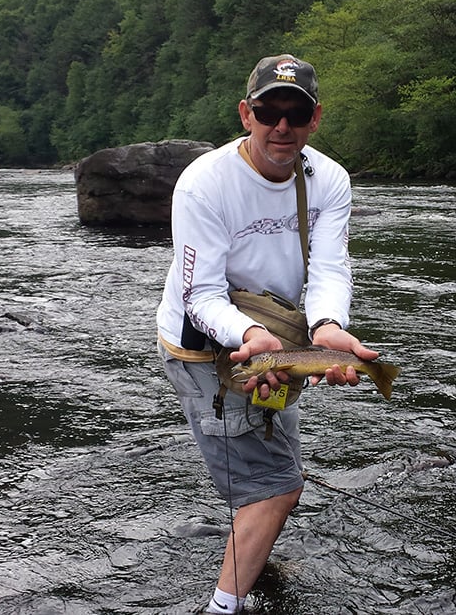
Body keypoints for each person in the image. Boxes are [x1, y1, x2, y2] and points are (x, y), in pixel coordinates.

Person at [156, 54, 381, 614]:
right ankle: (223, 605)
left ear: (315, 118)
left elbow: (330, 269)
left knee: (275, 474)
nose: (281, 126)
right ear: (245, 113)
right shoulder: (203, 184)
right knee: (274, 487)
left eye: (295, 113)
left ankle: (250, 560)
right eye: (268, 111)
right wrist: (251, 336)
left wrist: (328, 327)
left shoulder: (328, 178)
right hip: (208, 350)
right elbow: (200, 295)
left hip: (280, 347)